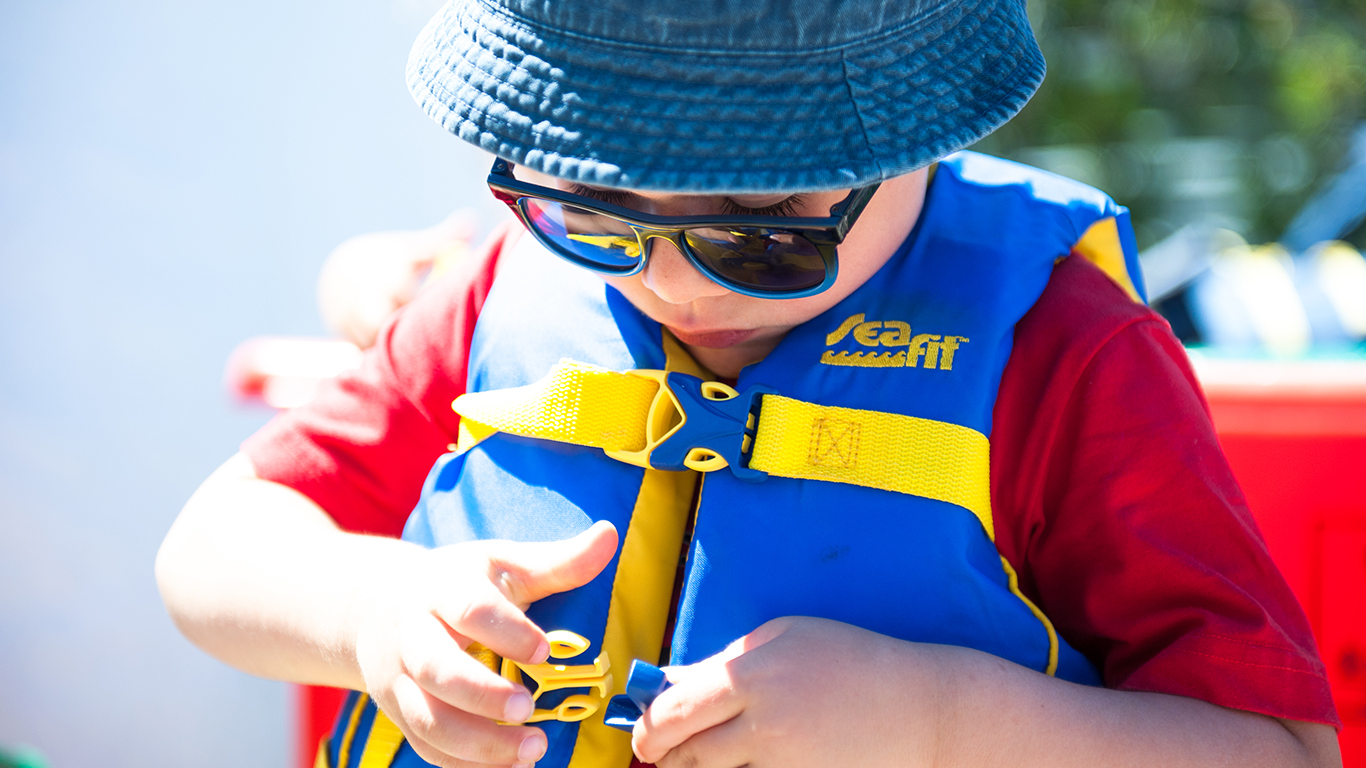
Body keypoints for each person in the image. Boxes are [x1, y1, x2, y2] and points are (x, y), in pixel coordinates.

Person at [155, 0, 1345, 767]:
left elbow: (1274, 752)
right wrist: (372, 614)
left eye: (761, 233)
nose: (668, 283)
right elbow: (207, 555)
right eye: (594, 209)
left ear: (922, 144)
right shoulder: (490, 291)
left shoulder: (1062, 354)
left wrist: (935, 725)